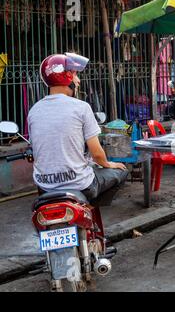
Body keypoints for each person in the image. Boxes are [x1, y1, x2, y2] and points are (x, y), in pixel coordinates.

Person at [28, 53, 128, 205]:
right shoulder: (81, 107)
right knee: (121, 171)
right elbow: (97, 154)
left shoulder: (34, 111)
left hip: (44, 187)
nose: (79, 80)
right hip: (81, 185)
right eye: (75, 75)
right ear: (66, 76)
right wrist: (109, 164)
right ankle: (91, 208)